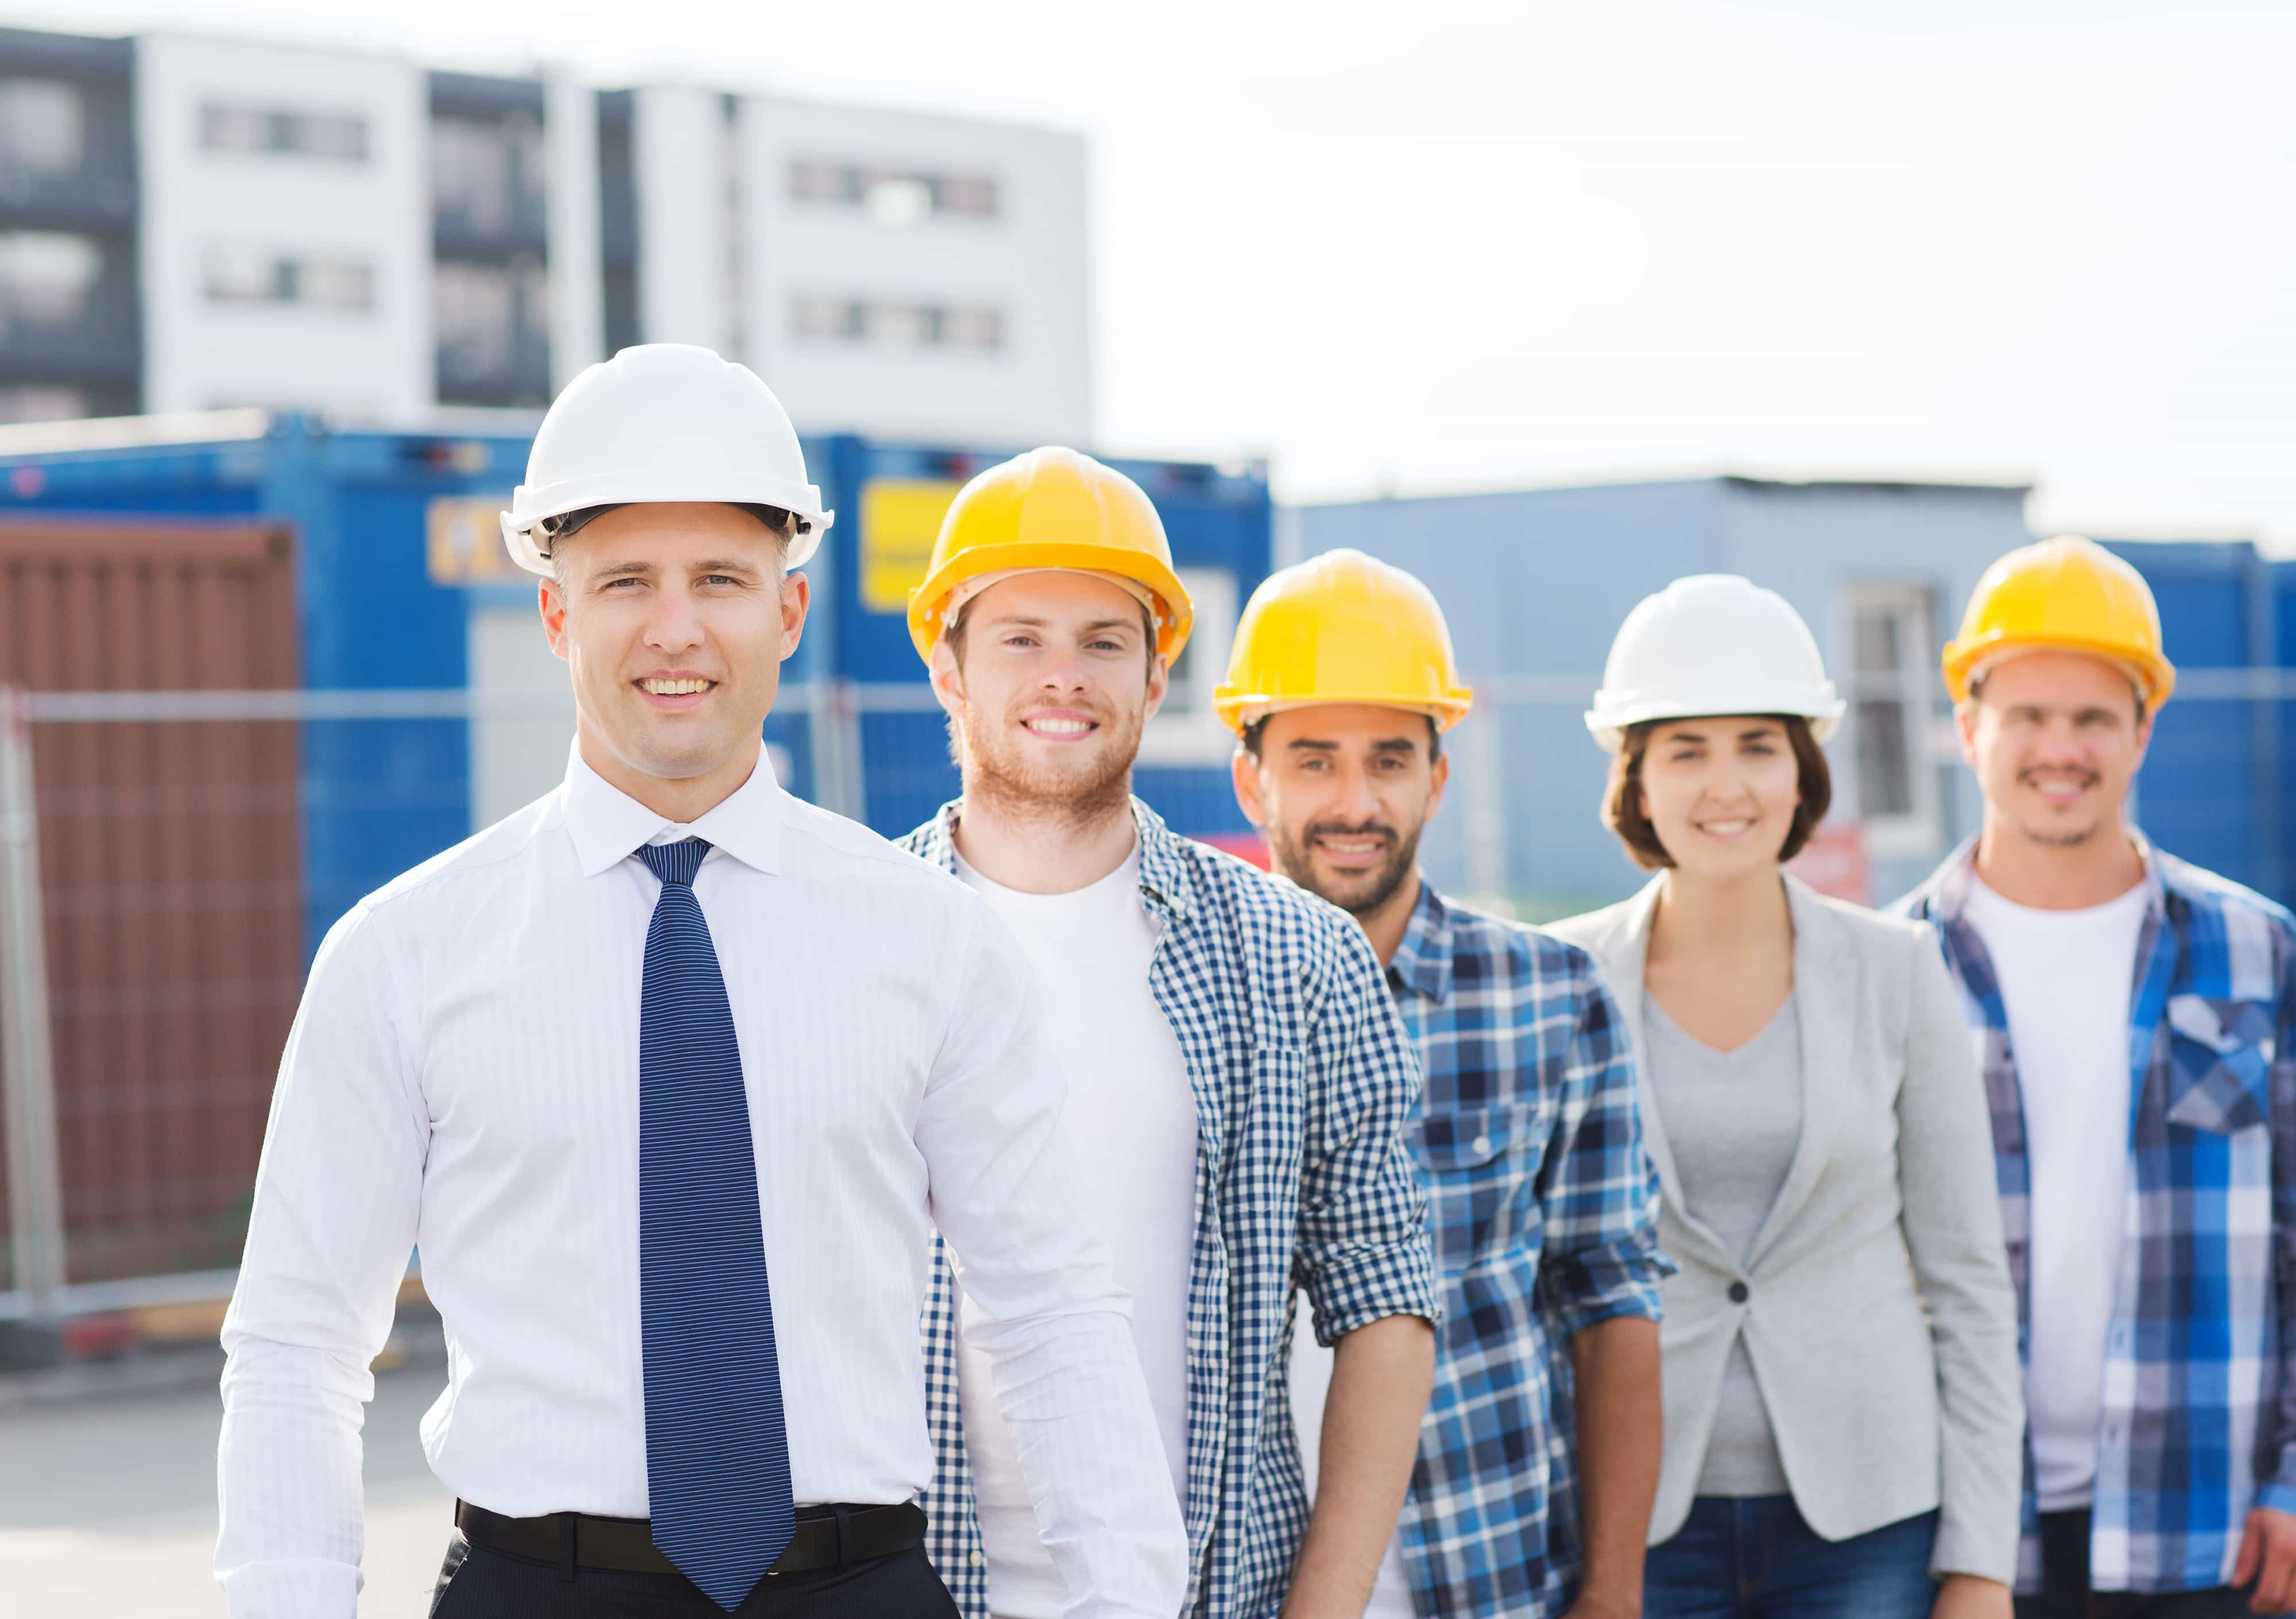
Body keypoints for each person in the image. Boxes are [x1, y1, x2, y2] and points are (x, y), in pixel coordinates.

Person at [215, 347, 1187, 1619]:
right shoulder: (403, 953)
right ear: (557, 613)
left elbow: (1053, 1312)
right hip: (536, 1589)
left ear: (786, 612)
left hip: (858, 1586)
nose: (675, 627)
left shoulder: (930, 942)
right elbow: (296, 1346)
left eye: (720, 579)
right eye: (626, 580)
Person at [897, 450, 1442, 1619]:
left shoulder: (1297, 956)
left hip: (1215, 1592)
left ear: (1155, 675)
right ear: (945, 662)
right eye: (1021, 636)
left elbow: (1387, 1303)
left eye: (1104, 639)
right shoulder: (845, 938)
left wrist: (1323, 1608)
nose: (1064, 675)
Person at [1900, 537, 2296, 1619]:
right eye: (2027, 715)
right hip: (1962, 1533)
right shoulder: (1890, 967)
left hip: (2207, 1527)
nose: (2059, 747)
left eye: (2093, 718)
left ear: (2143, 731)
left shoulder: (2259, 952)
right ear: (1969, 725)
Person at [1548, 575, 2023, 1619]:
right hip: (1634, 1529)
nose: (1728, 785)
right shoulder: (1561, 979)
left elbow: (1970, 1286)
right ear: (1637, 776)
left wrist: (1984, 1559)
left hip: (1868, 1526)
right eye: (1687, 748)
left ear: (1803, 769)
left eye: (1758, 744)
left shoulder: (1898, 971)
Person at [1219, 548, 1675, 1619]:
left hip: (1490, 1566)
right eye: (1315, 759)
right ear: (1254, 778)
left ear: (1438, 773)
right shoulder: (1184, 1000)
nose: (1356, 800)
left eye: (1389, 759)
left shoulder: (1551, 997)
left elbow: (1611, 1298)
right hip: (1247, 1578)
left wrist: (1611, 1589)